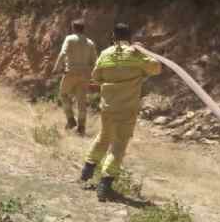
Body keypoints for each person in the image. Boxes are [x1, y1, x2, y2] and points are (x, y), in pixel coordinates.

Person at [79, 22, 161, 201]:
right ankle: (105, 185)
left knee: (103, 137)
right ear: (130, 37)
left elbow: (96, 77)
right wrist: (144, 52)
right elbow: (156, 68)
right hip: (127, 108)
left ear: (113, 37)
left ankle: (86, 172)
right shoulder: (136, 54)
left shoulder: (105, 54)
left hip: (108, 107)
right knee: (118, 145)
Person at [52, 19, 98, 135]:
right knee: (81, 101)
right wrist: (93, 76)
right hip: (85, 75)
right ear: (83, 29)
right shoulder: (90, 43)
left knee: (63, 94)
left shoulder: (69, 39)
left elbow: (63, 53)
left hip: (71, 72)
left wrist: (56, 68)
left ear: (73, 28)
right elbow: (95, 62)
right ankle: (81, 127)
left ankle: (71, 119)